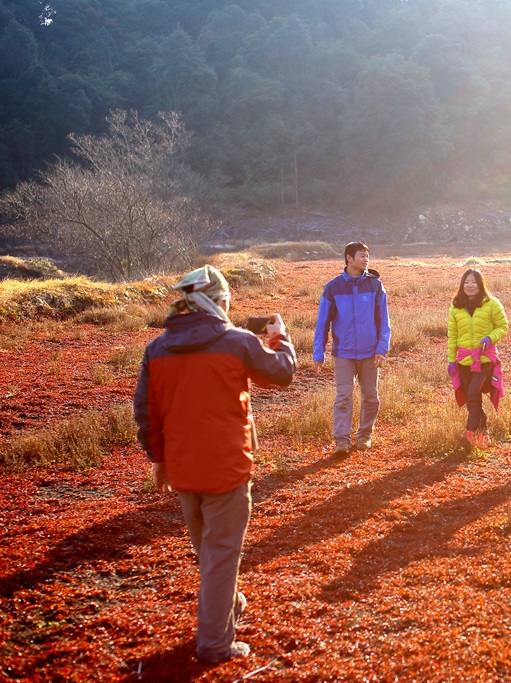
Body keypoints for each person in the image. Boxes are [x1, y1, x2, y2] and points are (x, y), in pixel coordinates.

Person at [133, 265, 296, 664]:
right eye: (228, 301)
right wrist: (280, 338)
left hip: (182, 467)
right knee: (221, 555)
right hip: (226, 467)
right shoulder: (237, 342)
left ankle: (229, 604)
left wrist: (159, 458)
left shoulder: (157, 348)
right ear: (220, 301)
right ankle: (214, 645)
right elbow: (281, 374)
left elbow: (146, 411)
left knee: (210, 552)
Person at [313, 242, 391, 459]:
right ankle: (342, 440)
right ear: (349, 258)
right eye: (361, 255)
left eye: (367, 255)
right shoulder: (333, 288)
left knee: (371, 397)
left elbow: (384, 321)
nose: (366, 259)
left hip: (370, 353)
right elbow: (322, 323)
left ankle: (364, 435)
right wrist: (318, 353)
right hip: (344, 354)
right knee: (343, 397)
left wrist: (382, 348)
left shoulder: (375, 285)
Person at [448, 268, 509, 447]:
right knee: (472, 399)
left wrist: (490, 338)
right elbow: (453, 334)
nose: (470, 285)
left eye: (474, 282)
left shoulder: (492, 303)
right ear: (462, 285)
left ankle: (470, 431)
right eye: (466, 282)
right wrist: (451, 360)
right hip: (464, 360)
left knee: (473, 393)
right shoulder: (456, 305)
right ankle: (484, 432)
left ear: (480, 284)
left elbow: (503, 326)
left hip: (485, 359)